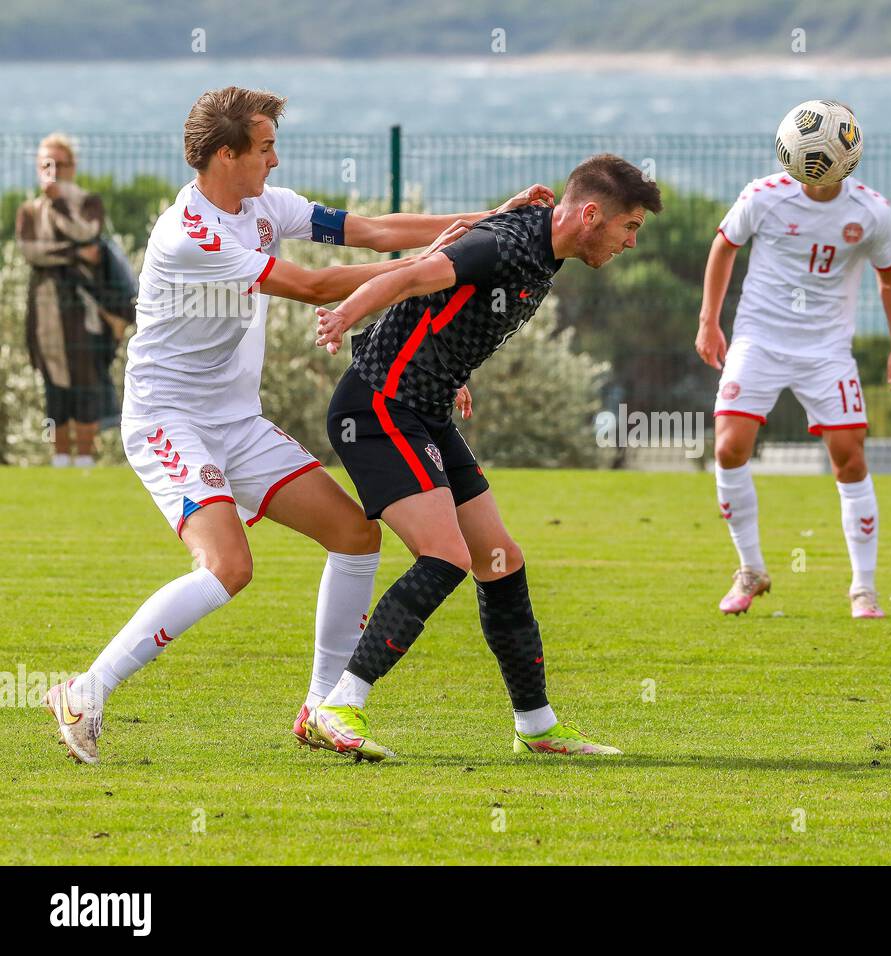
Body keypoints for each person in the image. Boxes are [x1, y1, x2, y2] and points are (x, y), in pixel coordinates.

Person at [43, 86, 552, 764]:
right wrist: (430, 271)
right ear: (225, 155)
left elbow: (373, 229)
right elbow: (316, 286)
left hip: (236, 422)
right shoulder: (189, 235)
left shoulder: (260, 206)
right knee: (228, 567)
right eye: (264, 149)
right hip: (170, 420)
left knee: (354, 534)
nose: (275, 162)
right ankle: (85, 691)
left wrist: (492, 220)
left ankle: (320, 709)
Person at [306, 153, 662, 761]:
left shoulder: (543, 245)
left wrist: (446, 368)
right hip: (378, 409)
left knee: (500, 560)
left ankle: (537, 725)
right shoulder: (505, 245)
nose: (631, 242)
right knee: (445, 556)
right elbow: (413, 277)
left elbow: (447, 313)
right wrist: (346, 315)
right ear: (593, 214)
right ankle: (335, 707)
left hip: (425, 407)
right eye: (629, 227)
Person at [696, 162, 891, 619]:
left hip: (827, 348)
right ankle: (750, 569)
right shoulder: (763, 195)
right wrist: (708, 321)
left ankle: (863, 588)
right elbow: (724, 245)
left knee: (849, 456)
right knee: (730, 448)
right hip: (759, 339)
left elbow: (888, 276)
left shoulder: (872, 210)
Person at [15, 133, 112, 467]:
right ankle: (56, 456)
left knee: (86, 385)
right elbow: (31, 252)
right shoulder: (28, 210)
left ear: (73, 167)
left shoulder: (89, 203)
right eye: (46, 164)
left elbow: (89, 234)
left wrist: (58, 203)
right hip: (43, 311)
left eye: (59, 163)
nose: (52, 170)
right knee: (51, 390)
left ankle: (85, 459)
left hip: (84, 311)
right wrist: (74, 254)